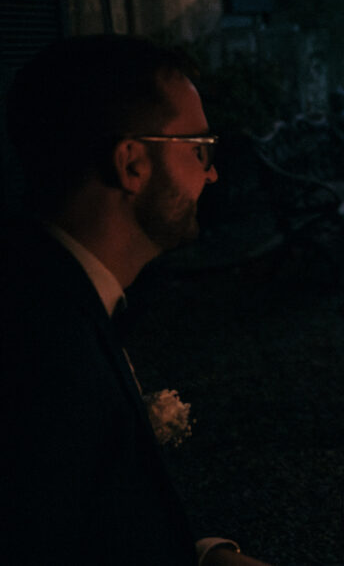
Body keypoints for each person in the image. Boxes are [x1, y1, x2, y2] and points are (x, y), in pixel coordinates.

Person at [0, 35, 268, 565]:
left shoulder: (56, 287)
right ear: (132, 164)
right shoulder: (43, 355)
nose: (211, 173)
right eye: (199, 150)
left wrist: (203, 555)